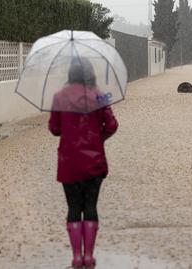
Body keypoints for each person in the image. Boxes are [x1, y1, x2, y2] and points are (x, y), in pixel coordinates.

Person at [48, 57, 118, 268]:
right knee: (90, 206)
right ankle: (89, 256)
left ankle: (76, 258)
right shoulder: (99, 95)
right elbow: (112, 125)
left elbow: (54, 129)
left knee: (73, 208)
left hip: (69, 163)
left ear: (71, 74)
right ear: (90, 74)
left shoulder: (59, 97)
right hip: (94, 163)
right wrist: (99, 137)